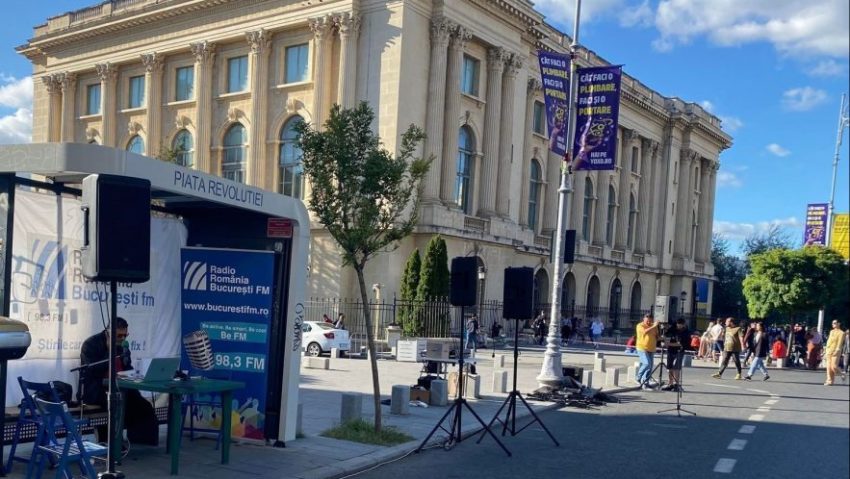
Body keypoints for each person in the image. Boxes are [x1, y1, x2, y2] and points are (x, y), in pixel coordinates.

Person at [79, 317, 159, 446]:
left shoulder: (123, 346)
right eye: (119, 335)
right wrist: (110, 351)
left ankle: (141, 441)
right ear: (109, 333)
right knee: (116, 404)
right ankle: (111, 442)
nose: (122, 339)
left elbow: (127, 367)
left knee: (144, 406)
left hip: (121, 387)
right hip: (98, 389)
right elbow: (92, 370)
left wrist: (133, 374)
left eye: (125, 335)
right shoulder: (91, 344)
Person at [662, 319, 690, 391]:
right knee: (669, 367)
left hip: (679, 350)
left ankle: (676, 384)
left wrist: (668, 344)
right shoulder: (672, 328)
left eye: (681, 324)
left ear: (684, 325)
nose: (679, 326)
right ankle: (670, 383)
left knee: (677, 368)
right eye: (678, 324)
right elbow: (665, 335)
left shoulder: (686, 332)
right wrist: (665, 331)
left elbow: (681, 344)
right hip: (671, 350)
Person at [635, 314, 659, 390]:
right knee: (646, 363)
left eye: (650, 321)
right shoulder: (640, 325)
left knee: (650, 366)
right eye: (647, 321)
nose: (648, 322)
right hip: (642, 348)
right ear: (644, 319)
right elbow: (644, 332)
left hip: (651, 348)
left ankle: (645, 382)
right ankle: (638, 377)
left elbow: (657, 336)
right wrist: (653, 326)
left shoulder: (654, 326)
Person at [823, 320, 846, 386]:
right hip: (828, 350)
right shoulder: (831, 331)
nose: (833, 324)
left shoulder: (841, 333)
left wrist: (837, 350)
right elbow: (829, 341)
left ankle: (842, 374)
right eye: (832, 323)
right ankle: (829, 380)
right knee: (828, 367)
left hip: (836, 351)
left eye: (835, 323)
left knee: (834, 367)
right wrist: (825, 350)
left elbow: (840, 343)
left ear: (839, 323)